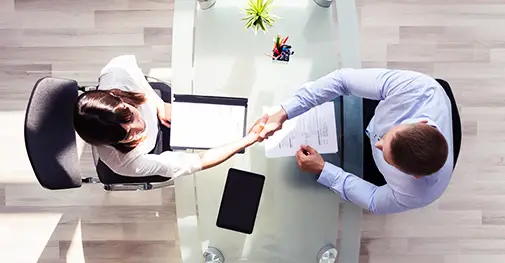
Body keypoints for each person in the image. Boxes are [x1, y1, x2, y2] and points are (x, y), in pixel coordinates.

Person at [250, 68, 456, 214]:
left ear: (415, 176)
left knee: (291, 180)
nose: (378, 143)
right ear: (419, 123)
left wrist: (323, 170)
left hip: (371, 166)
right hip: (372, 115)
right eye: (387, 136)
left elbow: (374, 199)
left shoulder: (419, 193)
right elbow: (342, 81)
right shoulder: (418, 89)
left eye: (388, 157)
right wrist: (284, 113)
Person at [74, 55, 266, 178]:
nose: (139, 127)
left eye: (130, 116)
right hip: (156, 148)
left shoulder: (116, 75)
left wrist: (157, 103)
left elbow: (131, 69)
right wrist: (248, 140)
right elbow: (196, 162)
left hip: (161, 109)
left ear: (116, 96)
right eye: (128, 134)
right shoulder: (123, 162)